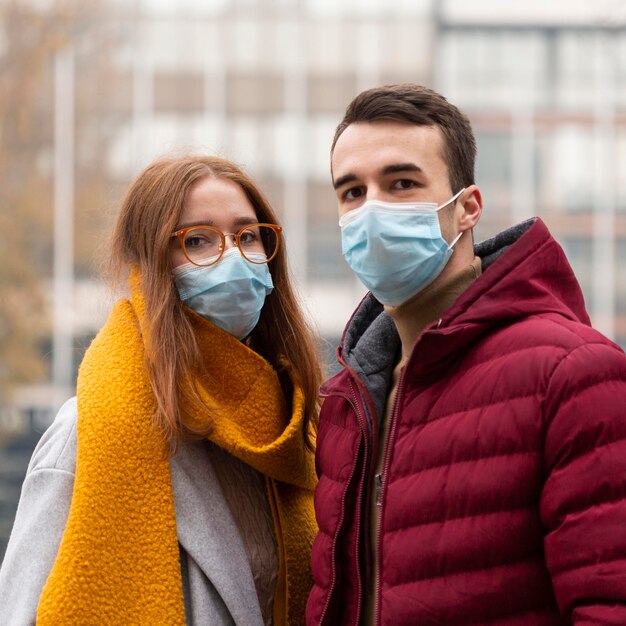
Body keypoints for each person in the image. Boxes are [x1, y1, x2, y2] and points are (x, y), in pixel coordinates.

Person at [307, 84, 626, 626]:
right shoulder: (346, 403)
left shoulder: (570, 373)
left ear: (467, 209)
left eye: (401, 183)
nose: (373, 209)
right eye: (352, 192)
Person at [0, 155, 322, 626]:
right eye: (197, 240)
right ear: (150, 265)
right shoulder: (88, 434)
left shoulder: (293, 430)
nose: (233, 256)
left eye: (247, 236)